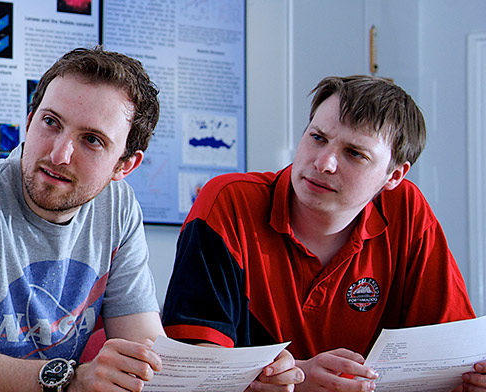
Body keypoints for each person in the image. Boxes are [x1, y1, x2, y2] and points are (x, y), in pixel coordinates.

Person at [0, 46, 298, 392]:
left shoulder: (117, 207)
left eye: (92, 140)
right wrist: (71, 379)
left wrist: (241, 380)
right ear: (30, 121)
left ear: (126, 164)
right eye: (51, 123)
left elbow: (145, 350)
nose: (59, 154)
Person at [162, 75, 486, 392]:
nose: (324, 163)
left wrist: (473, 376)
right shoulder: (229, 201)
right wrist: (297, 377)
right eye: (318, 137)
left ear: (394, 175)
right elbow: (194, 369)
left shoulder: (407, 209)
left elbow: (452, 357)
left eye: (354, 153)